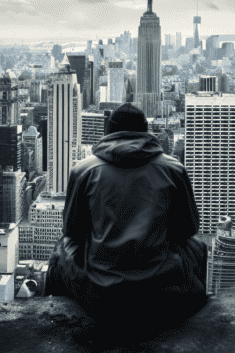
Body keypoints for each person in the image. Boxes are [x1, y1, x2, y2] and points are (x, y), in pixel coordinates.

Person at [45, 103, 208, 331]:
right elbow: (188, 229)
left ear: (108, 131)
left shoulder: (84, 170)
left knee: (62, 246)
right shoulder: (173, 169)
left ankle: (54, 322)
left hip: (100, 293)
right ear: (146, 131)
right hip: (162, 289)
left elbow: (72, 230)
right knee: (198, 246)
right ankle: (194, 315)